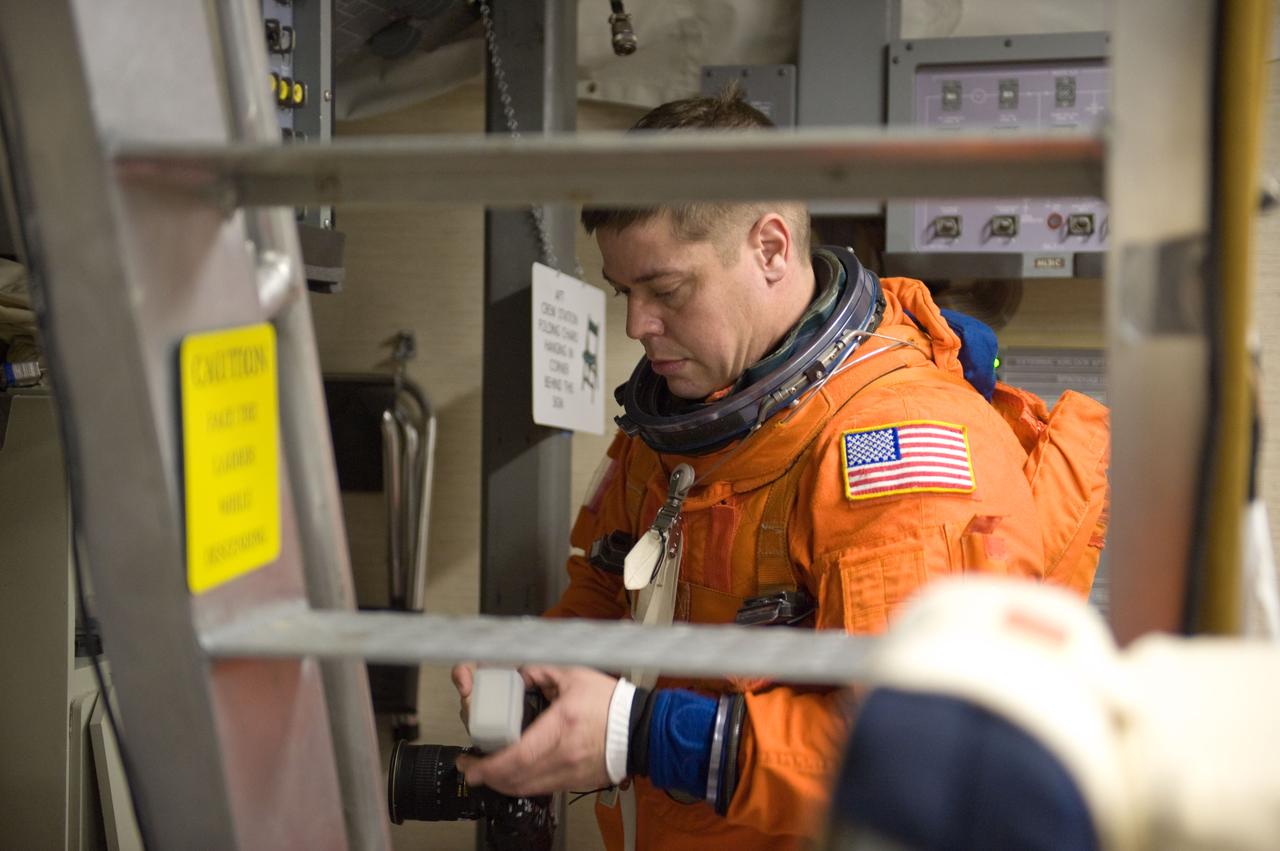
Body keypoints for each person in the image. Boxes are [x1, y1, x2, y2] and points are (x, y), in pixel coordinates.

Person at [451, 89, 1108, 850]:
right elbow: (607, 581)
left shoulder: (896, 449)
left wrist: (648, 734)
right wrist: (542, 667)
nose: (636, 324)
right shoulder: (674, 426)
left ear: (769, 248)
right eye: (624, 291)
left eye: (664, 289)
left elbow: (929, 764)